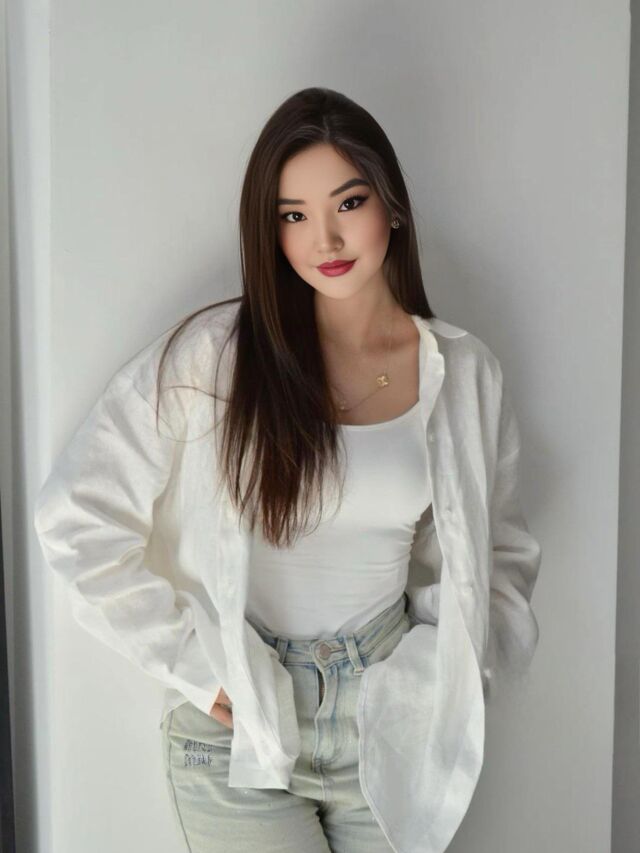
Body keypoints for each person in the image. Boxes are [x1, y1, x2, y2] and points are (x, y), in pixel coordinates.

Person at [33, 87, 542, 853]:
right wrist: (198, 668)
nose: (324, 238)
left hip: (391, 719)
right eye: (293, 215)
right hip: (242, 725)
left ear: (393, 205)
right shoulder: (213, 359)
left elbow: (497, 553)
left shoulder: (464, 372)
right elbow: (76, 516)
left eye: (349, 202)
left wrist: (453, 675)